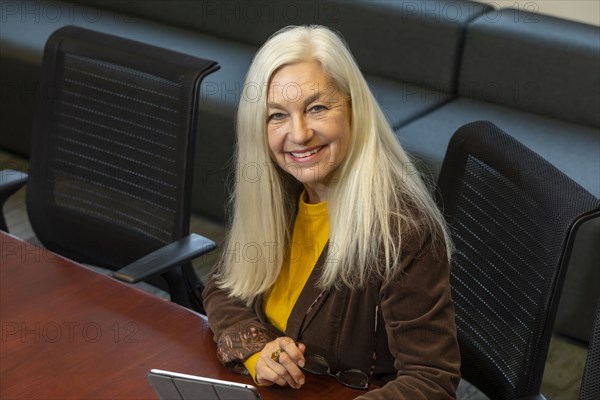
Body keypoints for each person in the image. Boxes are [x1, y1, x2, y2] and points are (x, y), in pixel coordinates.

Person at [203, 25, 461, 399]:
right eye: (277, 115)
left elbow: (431, 381)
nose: (300, 133)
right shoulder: (283, 187)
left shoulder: (403, 230)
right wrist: (258, 351)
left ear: (353, 109)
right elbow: (224, 285)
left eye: (317, 108)